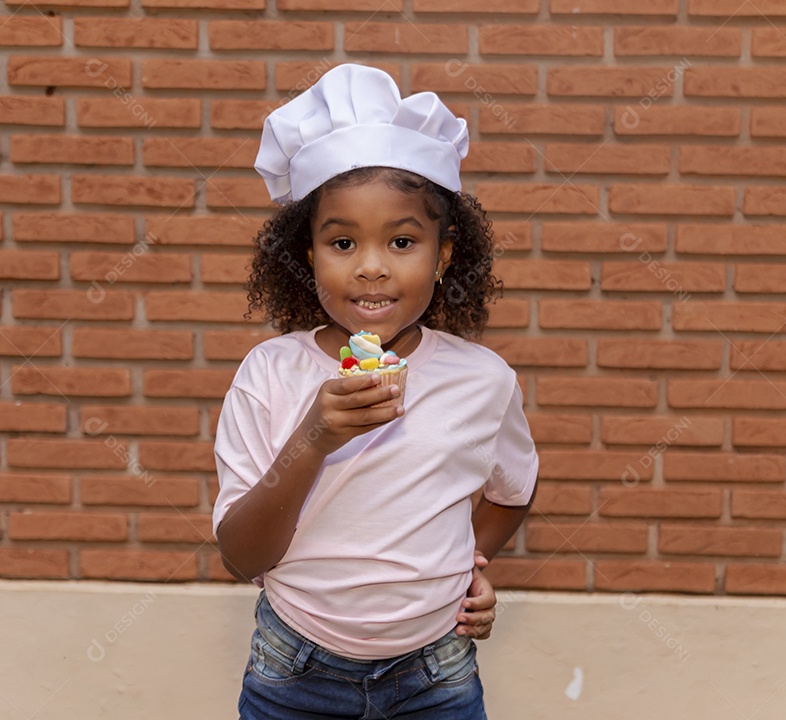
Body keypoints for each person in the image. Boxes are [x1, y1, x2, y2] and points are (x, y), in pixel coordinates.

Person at [213, 63, 539, 720]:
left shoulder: (484, 381)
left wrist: (467, 563)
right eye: (341, 241)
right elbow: (241, 554)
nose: (371, 265)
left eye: (401, 240)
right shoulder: (270, 374)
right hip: (294, 670)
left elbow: (512, 494)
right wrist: (315, 437)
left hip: (436, 673)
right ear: (306, 253)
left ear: (444, 255)